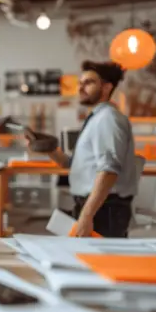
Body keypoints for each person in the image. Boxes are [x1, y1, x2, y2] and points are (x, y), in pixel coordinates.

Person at [27, 61, 136, 238]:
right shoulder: (95, 119)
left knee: (102, 263)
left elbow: (109, 170)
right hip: (94, 205)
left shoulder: (108, 119)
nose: (80, 88)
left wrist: (87, 214)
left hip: (104, 208)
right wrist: (49, 148)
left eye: (89, 83)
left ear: (107, 87)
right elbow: (73, 164)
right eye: (80, 83)